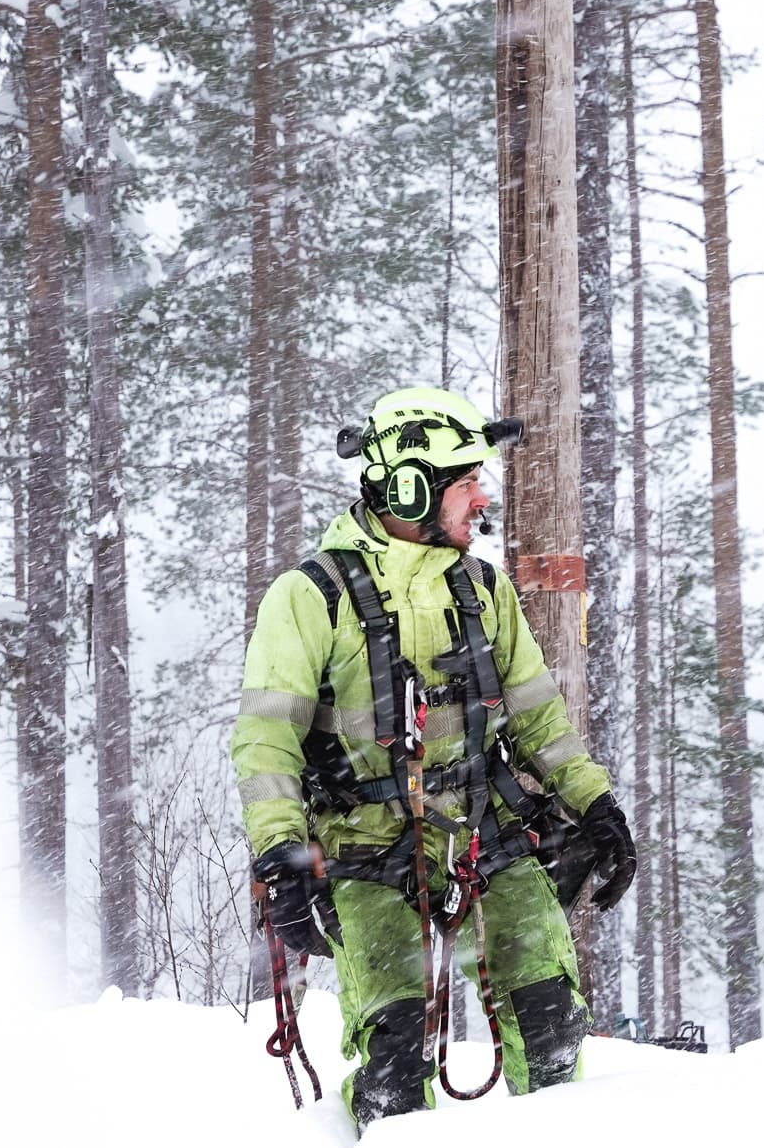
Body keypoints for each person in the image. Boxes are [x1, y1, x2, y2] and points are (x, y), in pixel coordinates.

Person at [231, 386, 638, 1131]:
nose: (483, 497)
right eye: (466, 482)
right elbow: (267, 740)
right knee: (394, 1052)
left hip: (486, 835)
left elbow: (538, 717)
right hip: (364, 849)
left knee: (550, 1018)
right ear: (411, 490)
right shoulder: (309, 596)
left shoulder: (486, 589)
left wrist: (595, 805)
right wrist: (281, 855)